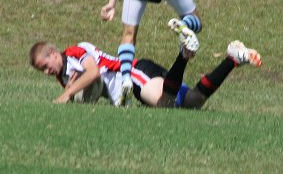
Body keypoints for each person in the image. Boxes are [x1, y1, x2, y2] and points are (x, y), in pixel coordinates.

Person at [29, 20, 262, 108]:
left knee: (165, 105)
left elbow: (93, 72)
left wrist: (67, 93)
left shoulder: (73, 52)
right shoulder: (64, 75)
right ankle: (233, 58)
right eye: (42, 70)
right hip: (142, 75)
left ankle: (184, 53)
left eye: (44, 65)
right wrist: (70, 92)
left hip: (132, 74)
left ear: (52, 52)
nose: (46, 71)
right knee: (193, 101)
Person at [101, 0, 202, 106]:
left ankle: (125, 79)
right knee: (196, 20)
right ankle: (183, 24)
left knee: (128, 34)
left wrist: (112, 1)